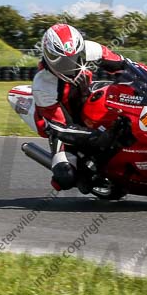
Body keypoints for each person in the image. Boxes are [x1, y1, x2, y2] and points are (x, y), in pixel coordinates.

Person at [32, 24, 125, 191]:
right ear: (49, 56)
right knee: (66, 177)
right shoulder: (43, 85)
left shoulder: (91, 49)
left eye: (74, 58)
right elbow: (62, 128)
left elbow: (123, 64)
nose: (70, 65)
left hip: (86, 97)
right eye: (62, 61)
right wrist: (98, 136)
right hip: (60, 125)